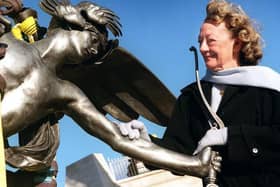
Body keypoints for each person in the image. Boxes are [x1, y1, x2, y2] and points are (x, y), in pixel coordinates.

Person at [118, 0, 280, 186]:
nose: (203, 48)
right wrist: (146, 144)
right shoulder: (191, 97)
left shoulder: (270, 87)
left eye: (210, 41)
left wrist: (230, 136)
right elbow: (178, 152)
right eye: (200, 41)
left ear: (237, 43)